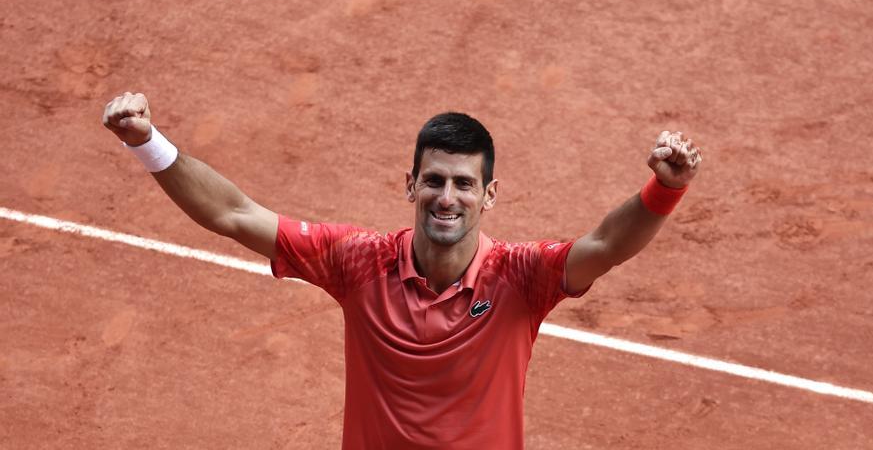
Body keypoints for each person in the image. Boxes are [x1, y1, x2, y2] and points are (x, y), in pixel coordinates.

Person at [102, 92, 702, 450]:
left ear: (488, 195)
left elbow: (606, 244)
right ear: (411, 184)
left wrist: (664, 189)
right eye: (435, 180)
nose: (447, 197)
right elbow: (234, 213)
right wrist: (147, 141)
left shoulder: (521, 277)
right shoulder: (357, 261)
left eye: (464, 184)